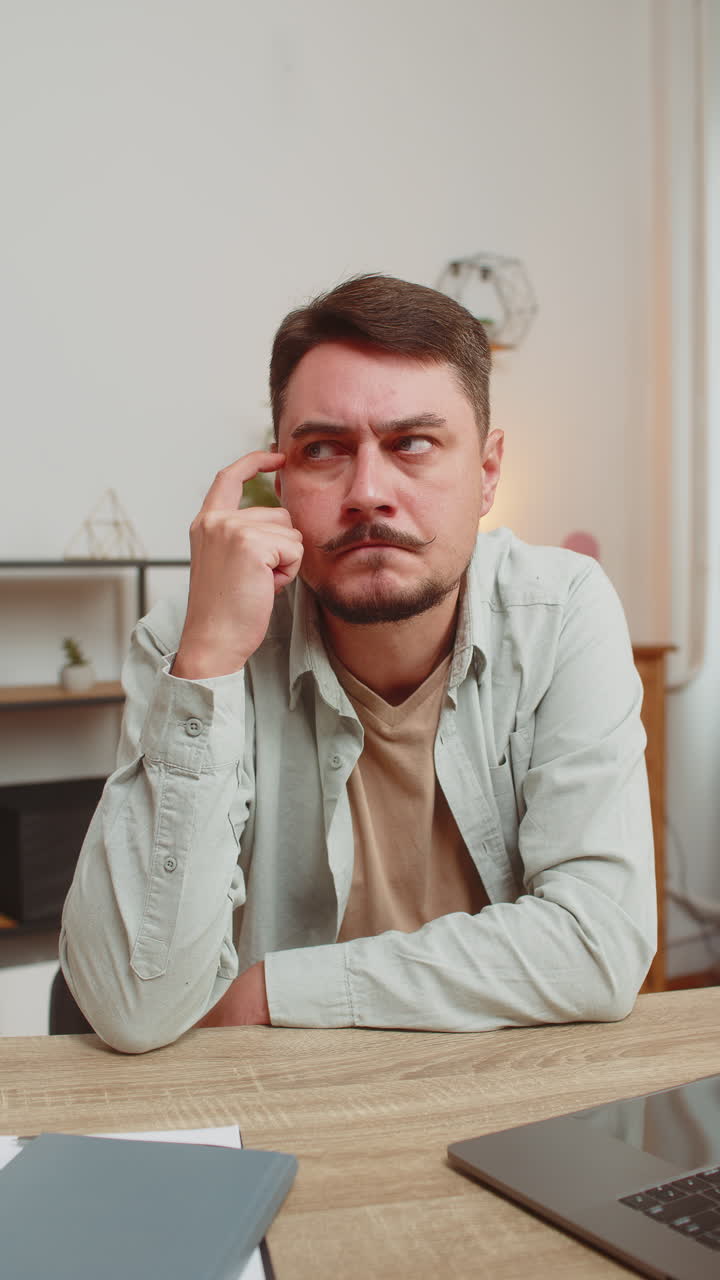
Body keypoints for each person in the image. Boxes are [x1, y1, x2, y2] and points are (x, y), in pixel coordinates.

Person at [60, 274, 656, 1053]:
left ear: (486, 471)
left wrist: (271, 989)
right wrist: (205, 664)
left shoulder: (563, 608)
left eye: (412, 443)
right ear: (277, 482)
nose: (368, 492)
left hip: (505, 1084)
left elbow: (596, 946)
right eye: (323, 451)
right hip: (277, 1098)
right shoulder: (186, 637)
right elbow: (133, 1007)